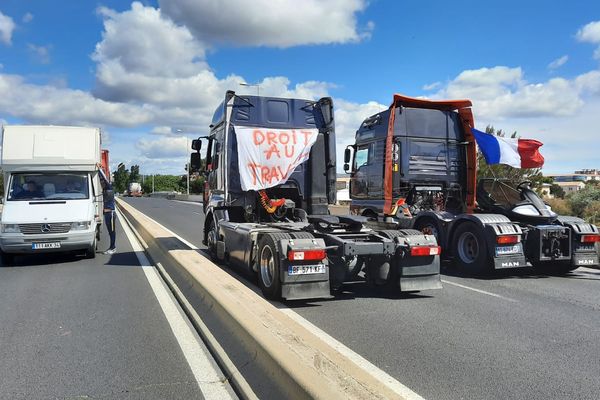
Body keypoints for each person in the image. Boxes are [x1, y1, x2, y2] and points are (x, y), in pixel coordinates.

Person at [98, 167, 116, 254]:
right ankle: (111, 247)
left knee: (112, 231)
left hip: (111, 214)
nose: (101, 183)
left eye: (102, 182)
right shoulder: (105, 190)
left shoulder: (109, 187)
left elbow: (104, 178)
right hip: (107, 214)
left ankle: (113, 248)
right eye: (100, 182)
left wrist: (99, 170)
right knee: (110, 231)